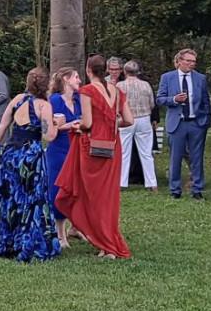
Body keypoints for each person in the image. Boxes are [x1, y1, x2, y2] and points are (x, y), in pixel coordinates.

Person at [56, 55, 134, 259]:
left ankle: (105, 244)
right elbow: (129, 120)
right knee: (108, 197)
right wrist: (111, 124)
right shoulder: (117, 91)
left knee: (91, 195)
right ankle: (106, 242)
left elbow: (88, 123)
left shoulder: (87, 91)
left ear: (88, 70)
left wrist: (76, 125)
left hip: (92, 148)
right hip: (112, 147)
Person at [0, 68, 62, 261]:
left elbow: (3, 125)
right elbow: (49, 136)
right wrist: (57, 123)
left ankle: (11, 238)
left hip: (11, 154)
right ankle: (30, 239)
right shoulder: (44, 105)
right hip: (30, 157)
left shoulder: (18, 99)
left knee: (12, 198)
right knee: (32, 199)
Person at [156, 48, 210, 199]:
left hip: (196, 123)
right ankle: (175, 189)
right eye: (188, 61)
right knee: (176, 157)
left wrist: (205, 121)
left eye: (193, 61)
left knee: (196, 157)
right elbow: (159, 99)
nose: (191, 64)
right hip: (177, 123)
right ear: (179, 61)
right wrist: (174, 99)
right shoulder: (167, 77)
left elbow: (205, 101)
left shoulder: (200, 78)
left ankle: (197, 189)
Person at [46, 67, 83, 249]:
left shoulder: (79, 99)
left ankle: (75, 227)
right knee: (58, 190)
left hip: (77, 150)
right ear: (66, 79)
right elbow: (49, 129)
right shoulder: (54, 100)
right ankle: (59, 233)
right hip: (58, 151)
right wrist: (69, 125)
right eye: (76, 77)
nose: (79, 80)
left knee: (78, 189)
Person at [118, 60, 158, 191]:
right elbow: (152, 103)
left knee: (124, 152)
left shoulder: (120, 86)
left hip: (126, 119)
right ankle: (152, 183)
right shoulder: (146, 85)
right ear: (138, 72)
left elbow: (117, 104)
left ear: (125, 71)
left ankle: (122, 183)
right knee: (146, 152)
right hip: (144, 119)